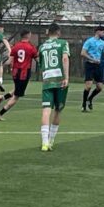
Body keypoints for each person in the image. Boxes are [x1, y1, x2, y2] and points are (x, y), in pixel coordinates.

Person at [38, 23, 70, 151]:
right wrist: (66, 77)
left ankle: (44, 143)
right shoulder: (63, 43)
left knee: (46, 111)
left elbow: (41, 64)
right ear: (58, 32)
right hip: (60, 80)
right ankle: (51, 140)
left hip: (47, 80)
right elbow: (65, 59)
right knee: (58, 110)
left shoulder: (42, 46)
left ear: (48, 33)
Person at [0, 30, 38, 121]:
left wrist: (1, 65)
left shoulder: (16, 46)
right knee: (16, 97)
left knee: (16, 89)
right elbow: (38, 60)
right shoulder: (31, 47)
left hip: (15, 73)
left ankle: (2, 97)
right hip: (24, 73)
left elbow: (9, 61)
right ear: (28, 35)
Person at [81, 26, 104, 112]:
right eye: (103, 32)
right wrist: (92, 59)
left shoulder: (102, 43)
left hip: (98, 66)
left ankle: (90, 99)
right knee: (88, 86)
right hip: (89, 65)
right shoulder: (89, 41)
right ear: (98, 32)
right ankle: (84, 105)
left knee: (99, 87)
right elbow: (83, 53)